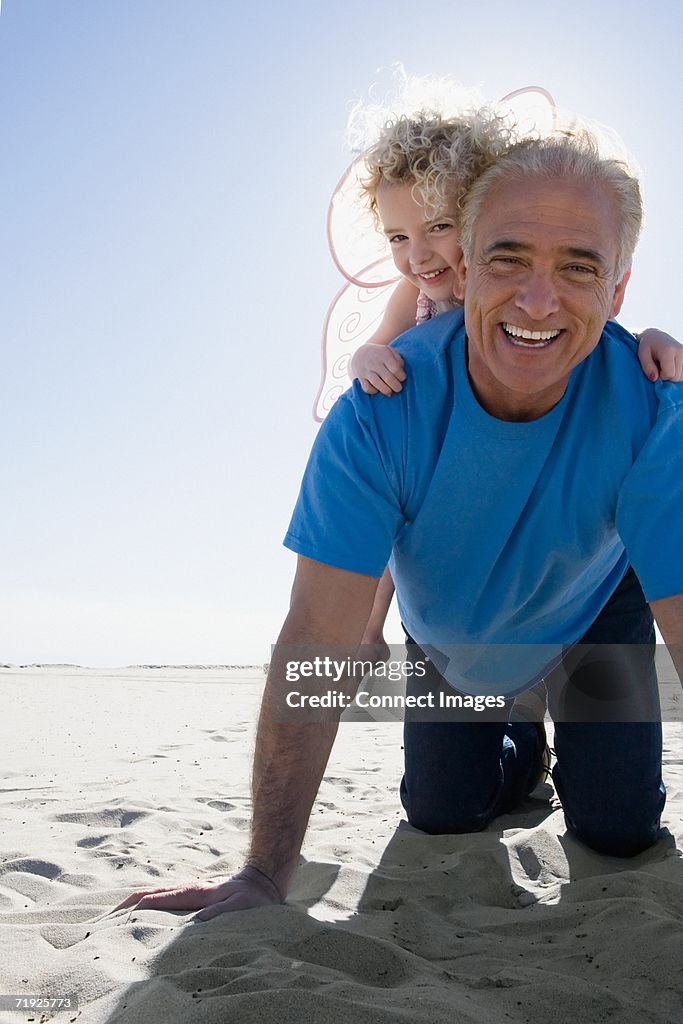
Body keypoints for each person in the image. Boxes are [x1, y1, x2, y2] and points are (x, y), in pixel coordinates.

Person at [116, 130, 683, 921]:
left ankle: (570, 729)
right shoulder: (380, 413)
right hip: (452, 633)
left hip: (593, 609)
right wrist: (263, 871)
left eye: (578, 267)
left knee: (619, 829)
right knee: (442, 810)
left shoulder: (654, 407)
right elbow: (316, 634)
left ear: (618, 290)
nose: (537, 300)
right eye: (508, 258)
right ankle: (524, 745)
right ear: (471, 262)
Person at [347, 114, 683, 657]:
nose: (418, 255)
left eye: (437, 227)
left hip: (552, 497)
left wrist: (652, 337)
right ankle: (369, 627)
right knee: (397, 523)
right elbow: (374, 346)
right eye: (397, 237)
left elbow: (589, 317)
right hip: (452, 469)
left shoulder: (530, 280)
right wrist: (368, 360)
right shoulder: (412, 298)